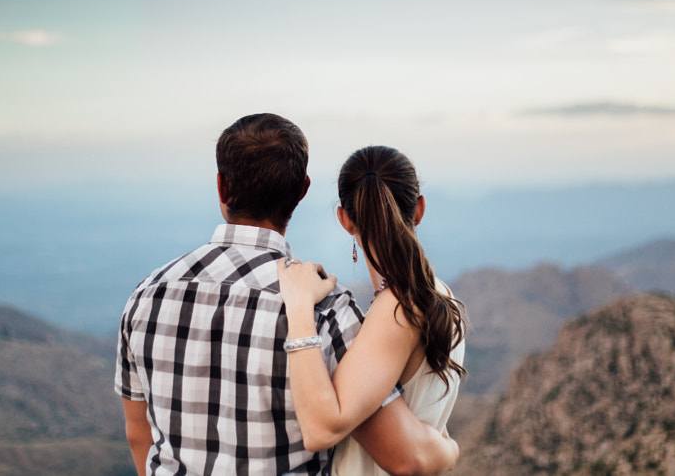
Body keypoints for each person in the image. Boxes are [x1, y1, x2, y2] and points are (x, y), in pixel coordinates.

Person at [115, 114, 458, 476]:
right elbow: (402, 454)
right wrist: (449, 446)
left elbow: (139, 434)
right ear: (301, 191)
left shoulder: (147, 296)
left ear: (221, 186)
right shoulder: (328, 310)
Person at [278, 145, 467, 476]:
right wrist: (444, 448)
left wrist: (298, 306)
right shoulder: (438, 295)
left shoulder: (399, 309)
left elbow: (321, 429)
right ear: (419, 209)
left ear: (345, 219)